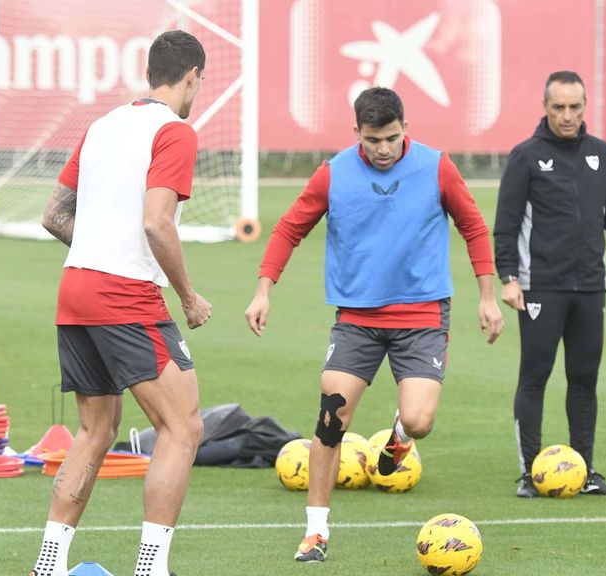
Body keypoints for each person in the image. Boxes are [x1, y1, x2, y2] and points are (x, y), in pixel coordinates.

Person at [244, 86, 504, 563]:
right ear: (356, 134)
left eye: (391, 138)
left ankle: (399, 438)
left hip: (423, 314)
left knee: (420, 422)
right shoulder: (334, 173)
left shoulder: (436, 167)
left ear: (406, 128)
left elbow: (474, 226)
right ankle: (316, 532)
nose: (383, 150)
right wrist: (264, 289)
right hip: (357, 320)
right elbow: (288, 228)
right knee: (331, 416)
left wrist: (487, 296)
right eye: (372, 140)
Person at [31, 30, 211, 576]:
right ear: (191, 77)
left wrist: (97, 249)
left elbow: (53, 215)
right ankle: (152, 567)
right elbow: (157, 222)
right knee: (184, 428)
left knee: (96, 430)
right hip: (125, 294)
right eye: (198, 83)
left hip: (76, 289)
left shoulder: (103, 126)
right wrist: (188, 296)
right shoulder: (175, 131)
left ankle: (49, 563)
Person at [494, 70, 606, 498]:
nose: (567, 115)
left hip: (590, 287)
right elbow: (506, 224)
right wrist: (509, 278)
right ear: (544, 107)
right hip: (540, 286)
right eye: (558, 107)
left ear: (584, 107)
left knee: (584, 378)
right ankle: (529, 473)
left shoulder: (601, 153)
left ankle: (585, 470)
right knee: (535, 376)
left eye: (575, 107)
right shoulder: (526, 156)